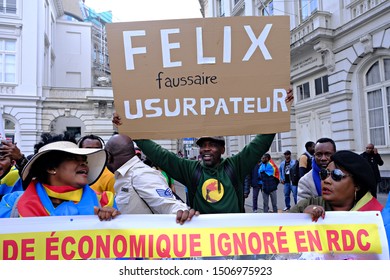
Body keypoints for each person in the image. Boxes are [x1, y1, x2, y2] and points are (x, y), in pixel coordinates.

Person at [111, 90, 293, 214]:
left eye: (212, 144)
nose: (206, 148)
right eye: (202, 144)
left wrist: (280, 110)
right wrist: (130, 128)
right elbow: (160, 155)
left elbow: (259, 144)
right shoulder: (191, 170)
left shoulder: (235, 166)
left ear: (222, 149)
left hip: (235, 241)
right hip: (202, 243)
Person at [290, 150, 384, 260]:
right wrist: (301, 221)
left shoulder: (375, 217)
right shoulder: (308, 204)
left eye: (336, 175)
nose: (326, 181)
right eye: (325, 174)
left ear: (357, 184)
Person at [0, 134, 120, 220]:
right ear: (51, 168)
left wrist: (114, 222)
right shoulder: (13, 203)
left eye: (84, 160)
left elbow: (121, 249)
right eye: (73, 159)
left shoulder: (105, 202)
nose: (84, 163)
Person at [104, 133, 198, 225]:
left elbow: (168, 205)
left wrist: (184, 213)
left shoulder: (141, 174)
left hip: (148, 239)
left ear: (109, 157)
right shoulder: (124, 175)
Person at [297, 137, 336, 202]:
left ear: (335, 154)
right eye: (319, 155)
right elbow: (302, 207)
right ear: (314, 155)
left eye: (327, 154)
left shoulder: (345, 175)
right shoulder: (305, 181)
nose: (323, 158)